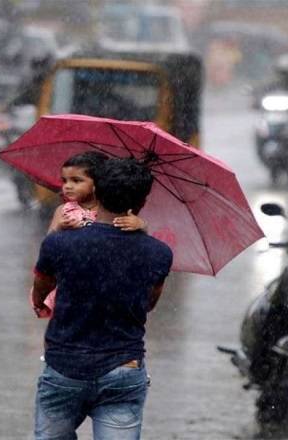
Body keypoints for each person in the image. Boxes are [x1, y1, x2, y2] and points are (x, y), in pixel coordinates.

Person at [30, 158, 173, 440]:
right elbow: (148, 304)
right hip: (124, 368)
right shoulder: (159, 252)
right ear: (142, 202)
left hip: (64, 367)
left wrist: (41, 298)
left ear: (98, 191)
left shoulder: (60, 242)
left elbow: (42, 287)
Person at [34, 152, 147, 319]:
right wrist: (59, 227)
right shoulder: (64, 211)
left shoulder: (109, 211)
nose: (68, 186)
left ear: (98, 184)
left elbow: (135, 239)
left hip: (102, 275)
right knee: (64, 319)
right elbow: (48, 244)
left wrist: (141, 225)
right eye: (64, 181)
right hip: (71, 275)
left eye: (76, 181)